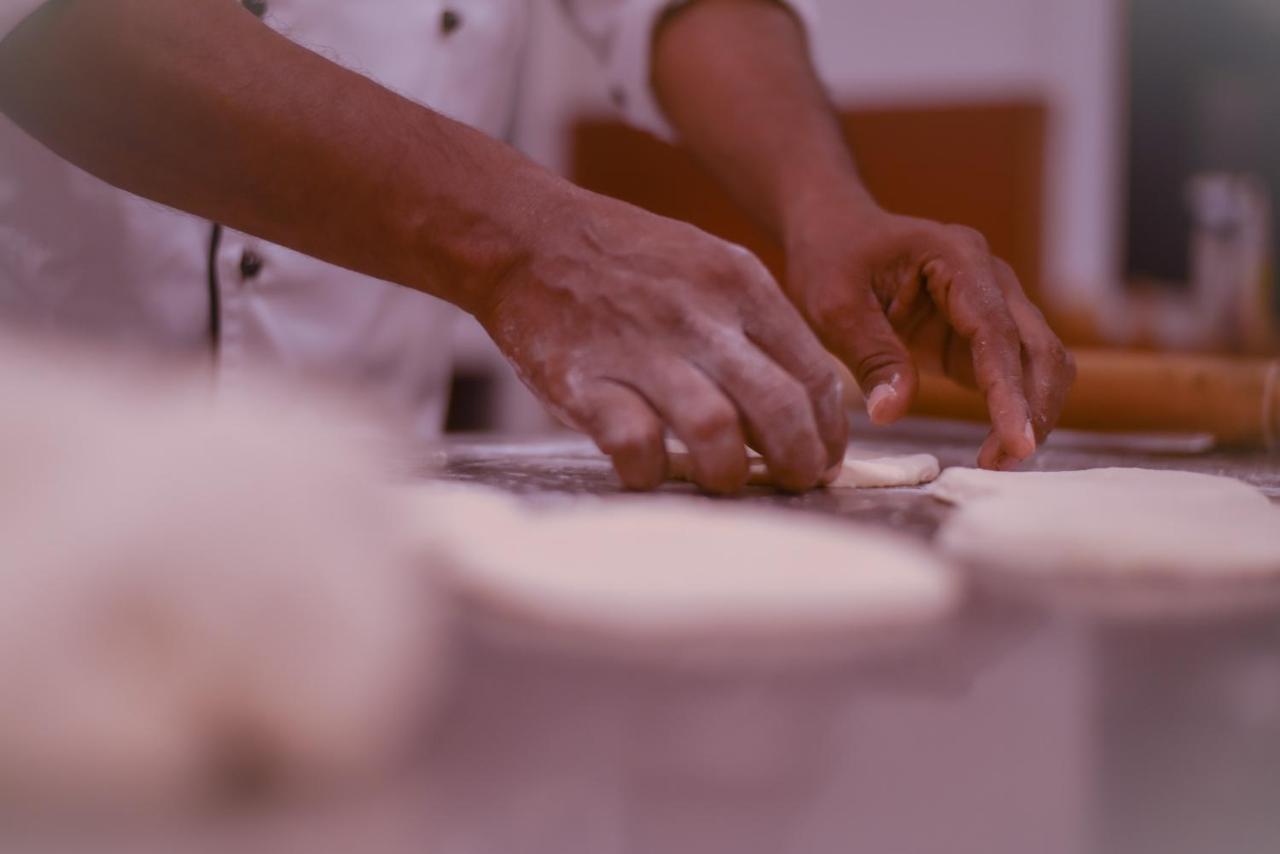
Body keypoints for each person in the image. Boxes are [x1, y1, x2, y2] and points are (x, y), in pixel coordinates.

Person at [0, 0, 1074, 495]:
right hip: (40, 480)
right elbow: (55, 30)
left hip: (366, 509)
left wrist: (825, 204)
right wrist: (528, 244)